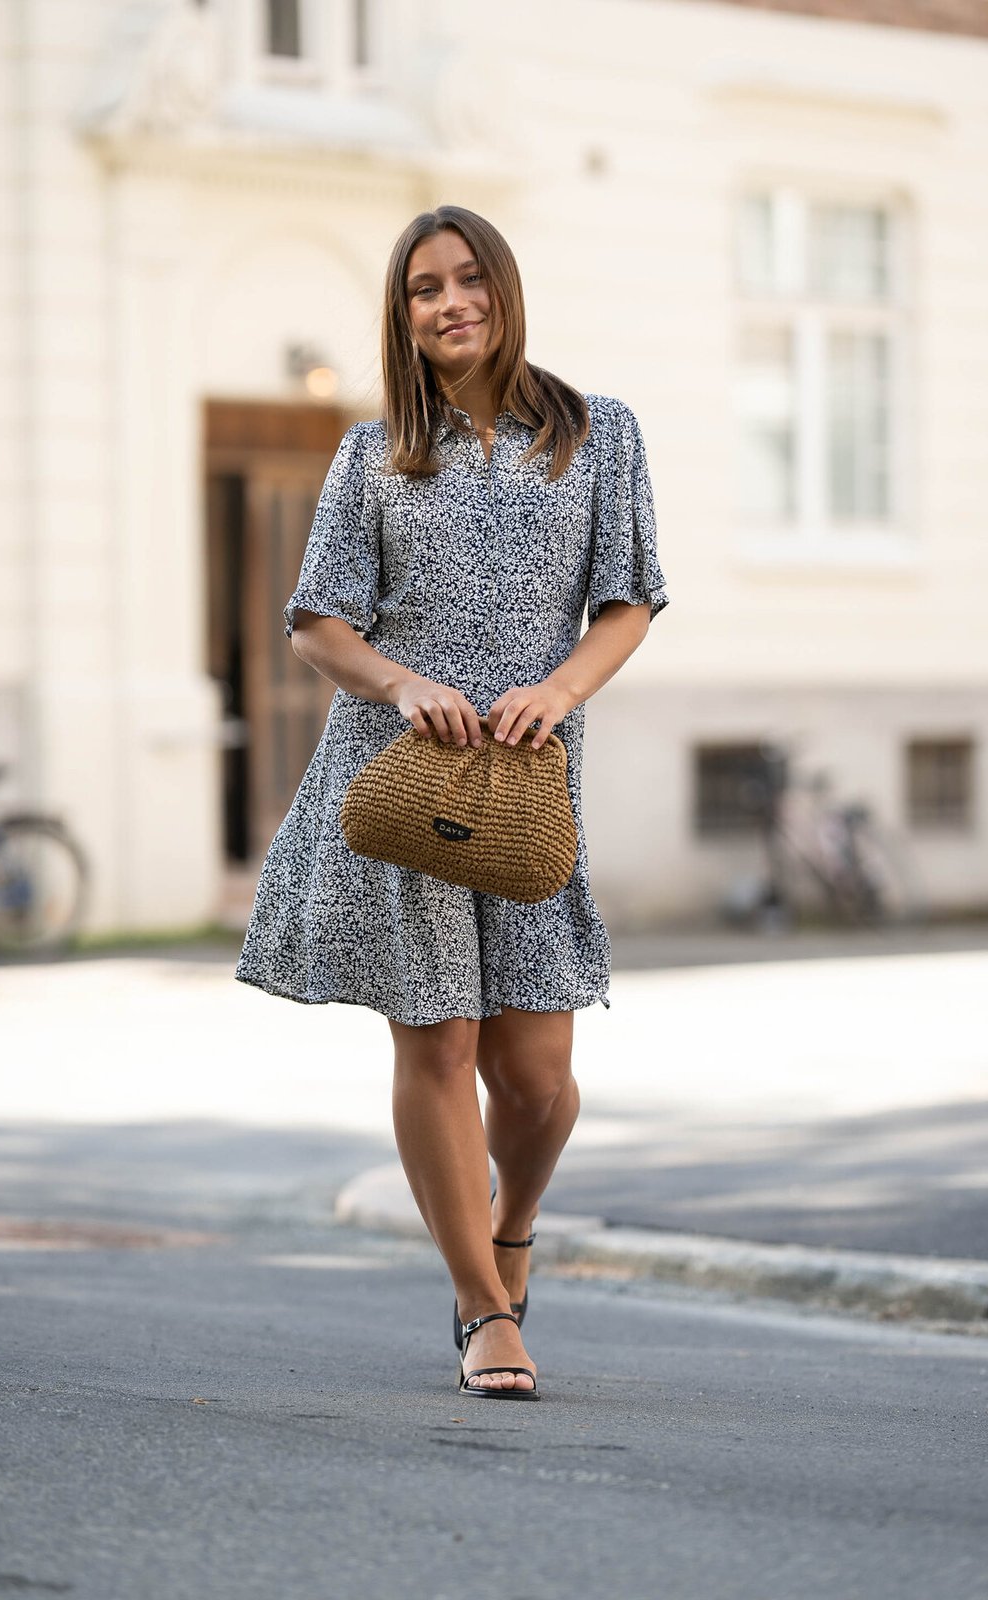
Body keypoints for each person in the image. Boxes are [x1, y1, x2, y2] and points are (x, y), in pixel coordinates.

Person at [236, 205, 668, 1401]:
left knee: (534, 1075)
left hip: (527, 778)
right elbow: (318, 619)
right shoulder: (372, 453)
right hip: (401, 778)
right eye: (424, 289)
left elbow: (628, 599)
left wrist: (561, 688)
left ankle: (511, 1223)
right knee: (439, 1041)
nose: (449, 303)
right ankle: (484, 1308)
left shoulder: (599, 435)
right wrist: (403, 681)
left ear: (504, 289)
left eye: (468, 280)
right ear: (403, 315)